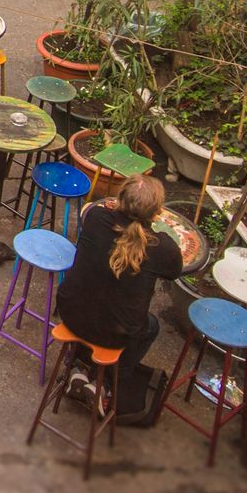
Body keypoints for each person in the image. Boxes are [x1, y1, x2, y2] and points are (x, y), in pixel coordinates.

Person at [54, 175, 185, 424]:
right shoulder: (162, 248)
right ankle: (104, 383)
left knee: (96, 301)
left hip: (70, 311)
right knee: (150, 325)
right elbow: (175, 270)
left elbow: (104, 213)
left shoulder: (95, 219)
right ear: (156, 213)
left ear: (118, 200)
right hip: (114, 332)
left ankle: (78, 368)